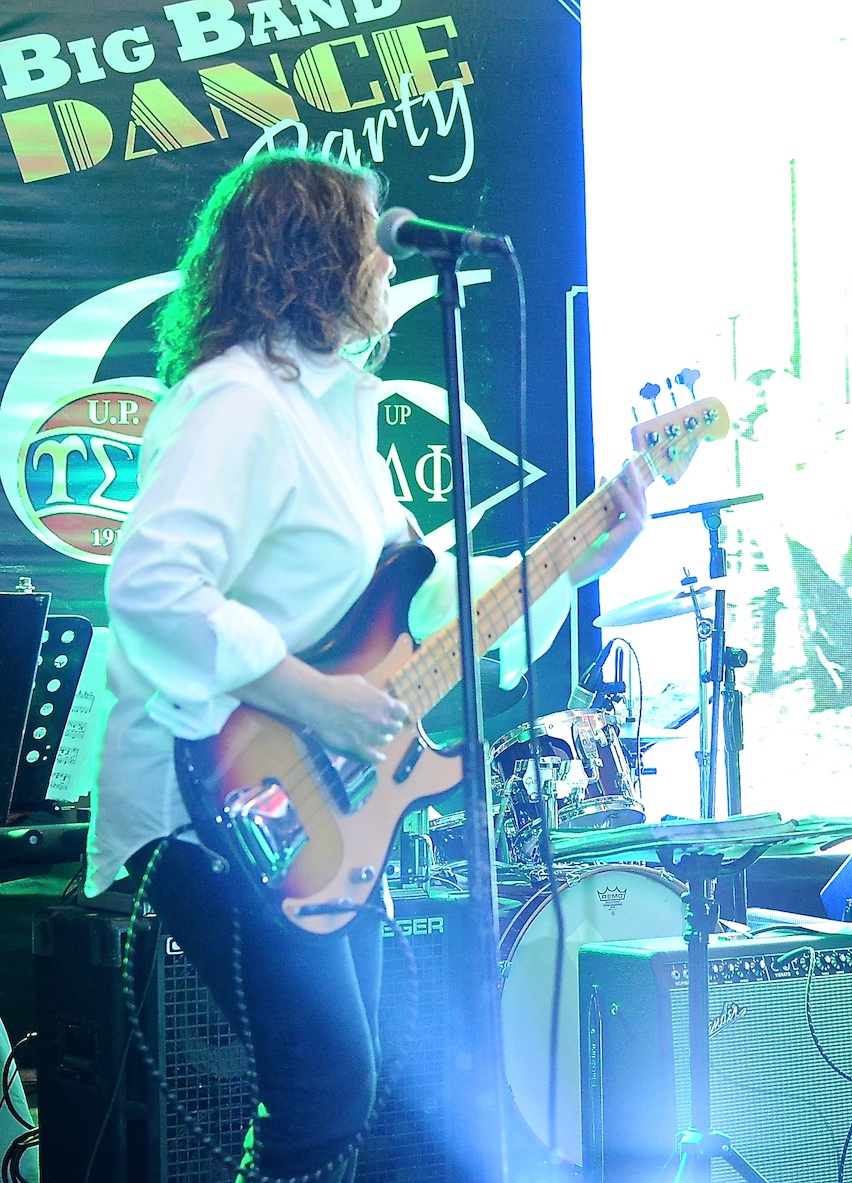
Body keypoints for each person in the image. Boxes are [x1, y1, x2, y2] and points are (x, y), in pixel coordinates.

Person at [84, 148, 647, 1182]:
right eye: (370, 235)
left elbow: (423, 606)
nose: (390, 260)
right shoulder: (234, 402)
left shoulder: (331, 410)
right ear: (315, 255)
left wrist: (583, 555)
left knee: (337, 1097)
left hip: (324, 799)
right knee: (323, 1089)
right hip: (214, 797)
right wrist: (316, 698)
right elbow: (153, 589)